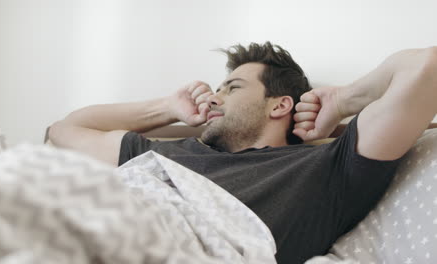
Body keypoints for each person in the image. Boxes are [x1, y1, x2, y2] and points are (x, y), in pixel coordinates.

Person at [49, 42, 437, 263]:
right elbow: (64, 131)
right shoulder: (171, 154)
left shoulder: (326, 168)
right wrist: (168, 109)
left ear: (279, 106)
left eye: (231, 88)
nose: (214, 97)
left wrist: (343, 100)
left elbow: (428, 67)